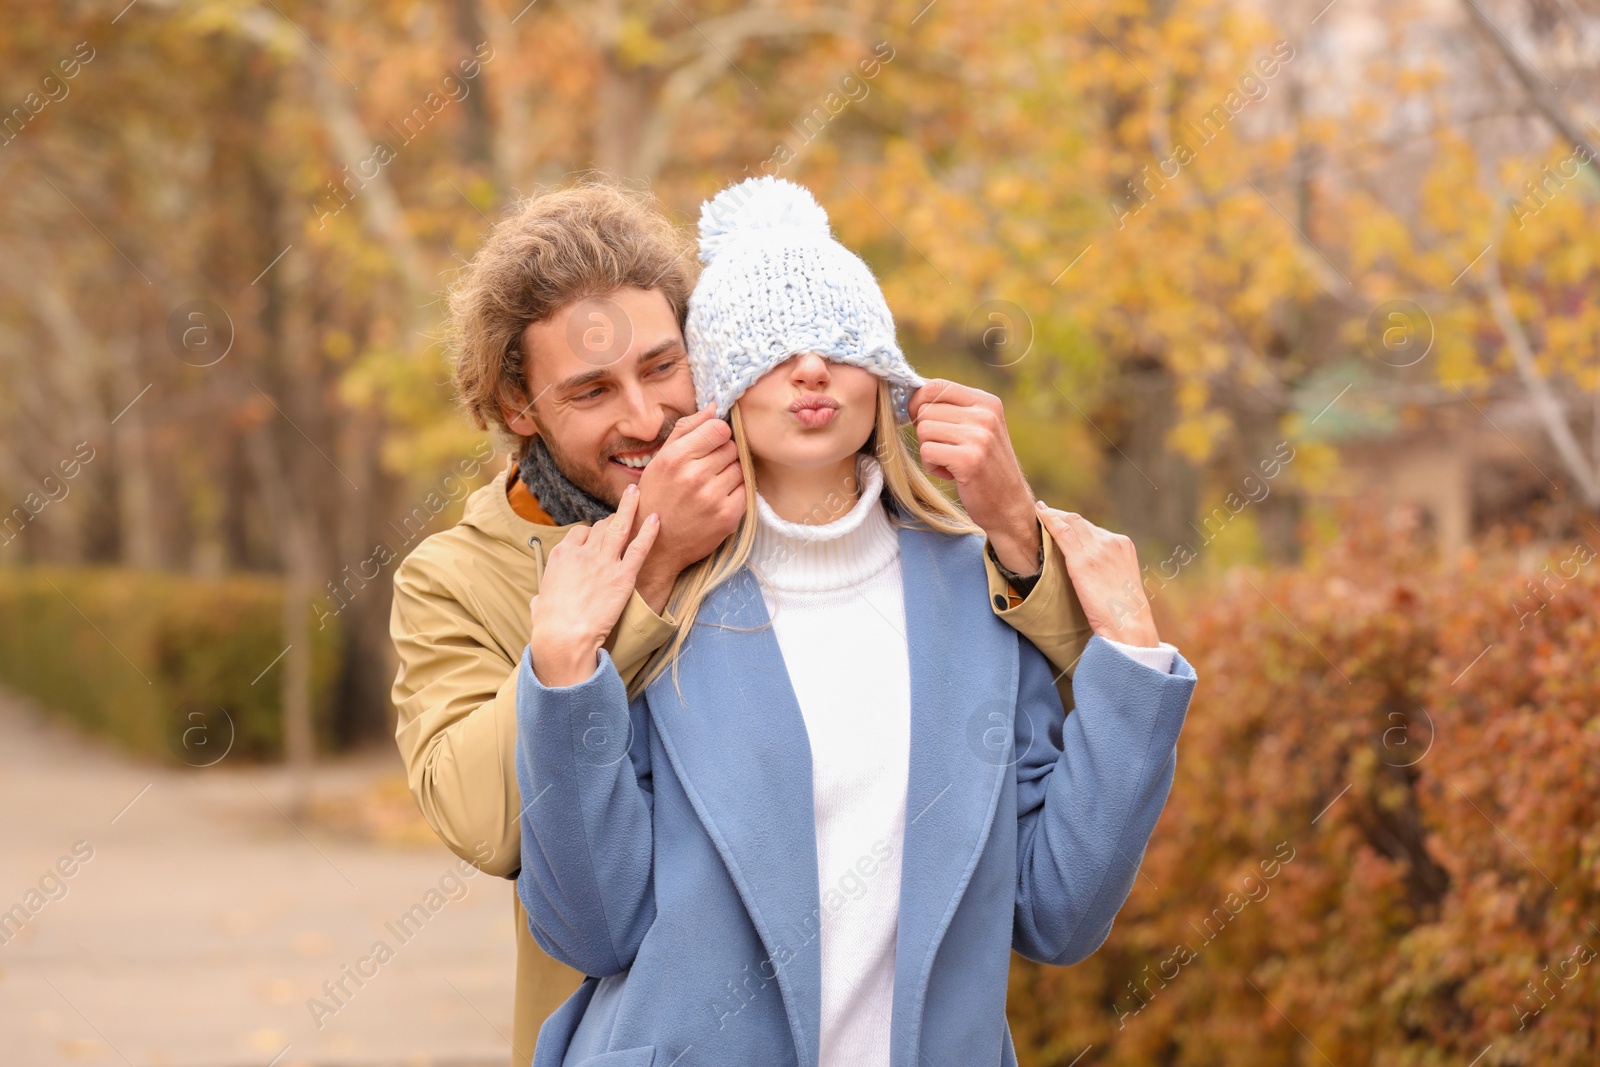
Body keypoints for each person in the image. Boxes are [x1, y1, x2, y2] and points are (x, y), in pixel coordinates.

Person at [389, 178, 1096, 1066]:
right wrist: (646, 577)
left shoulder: (816, 532)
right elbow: (488, 822)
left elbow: (1045, 750)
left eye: (660, 367)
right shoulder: (454, 578)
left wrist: (1018, 538)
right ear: (518, 406)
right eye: (591, 392)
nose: (645, 418)